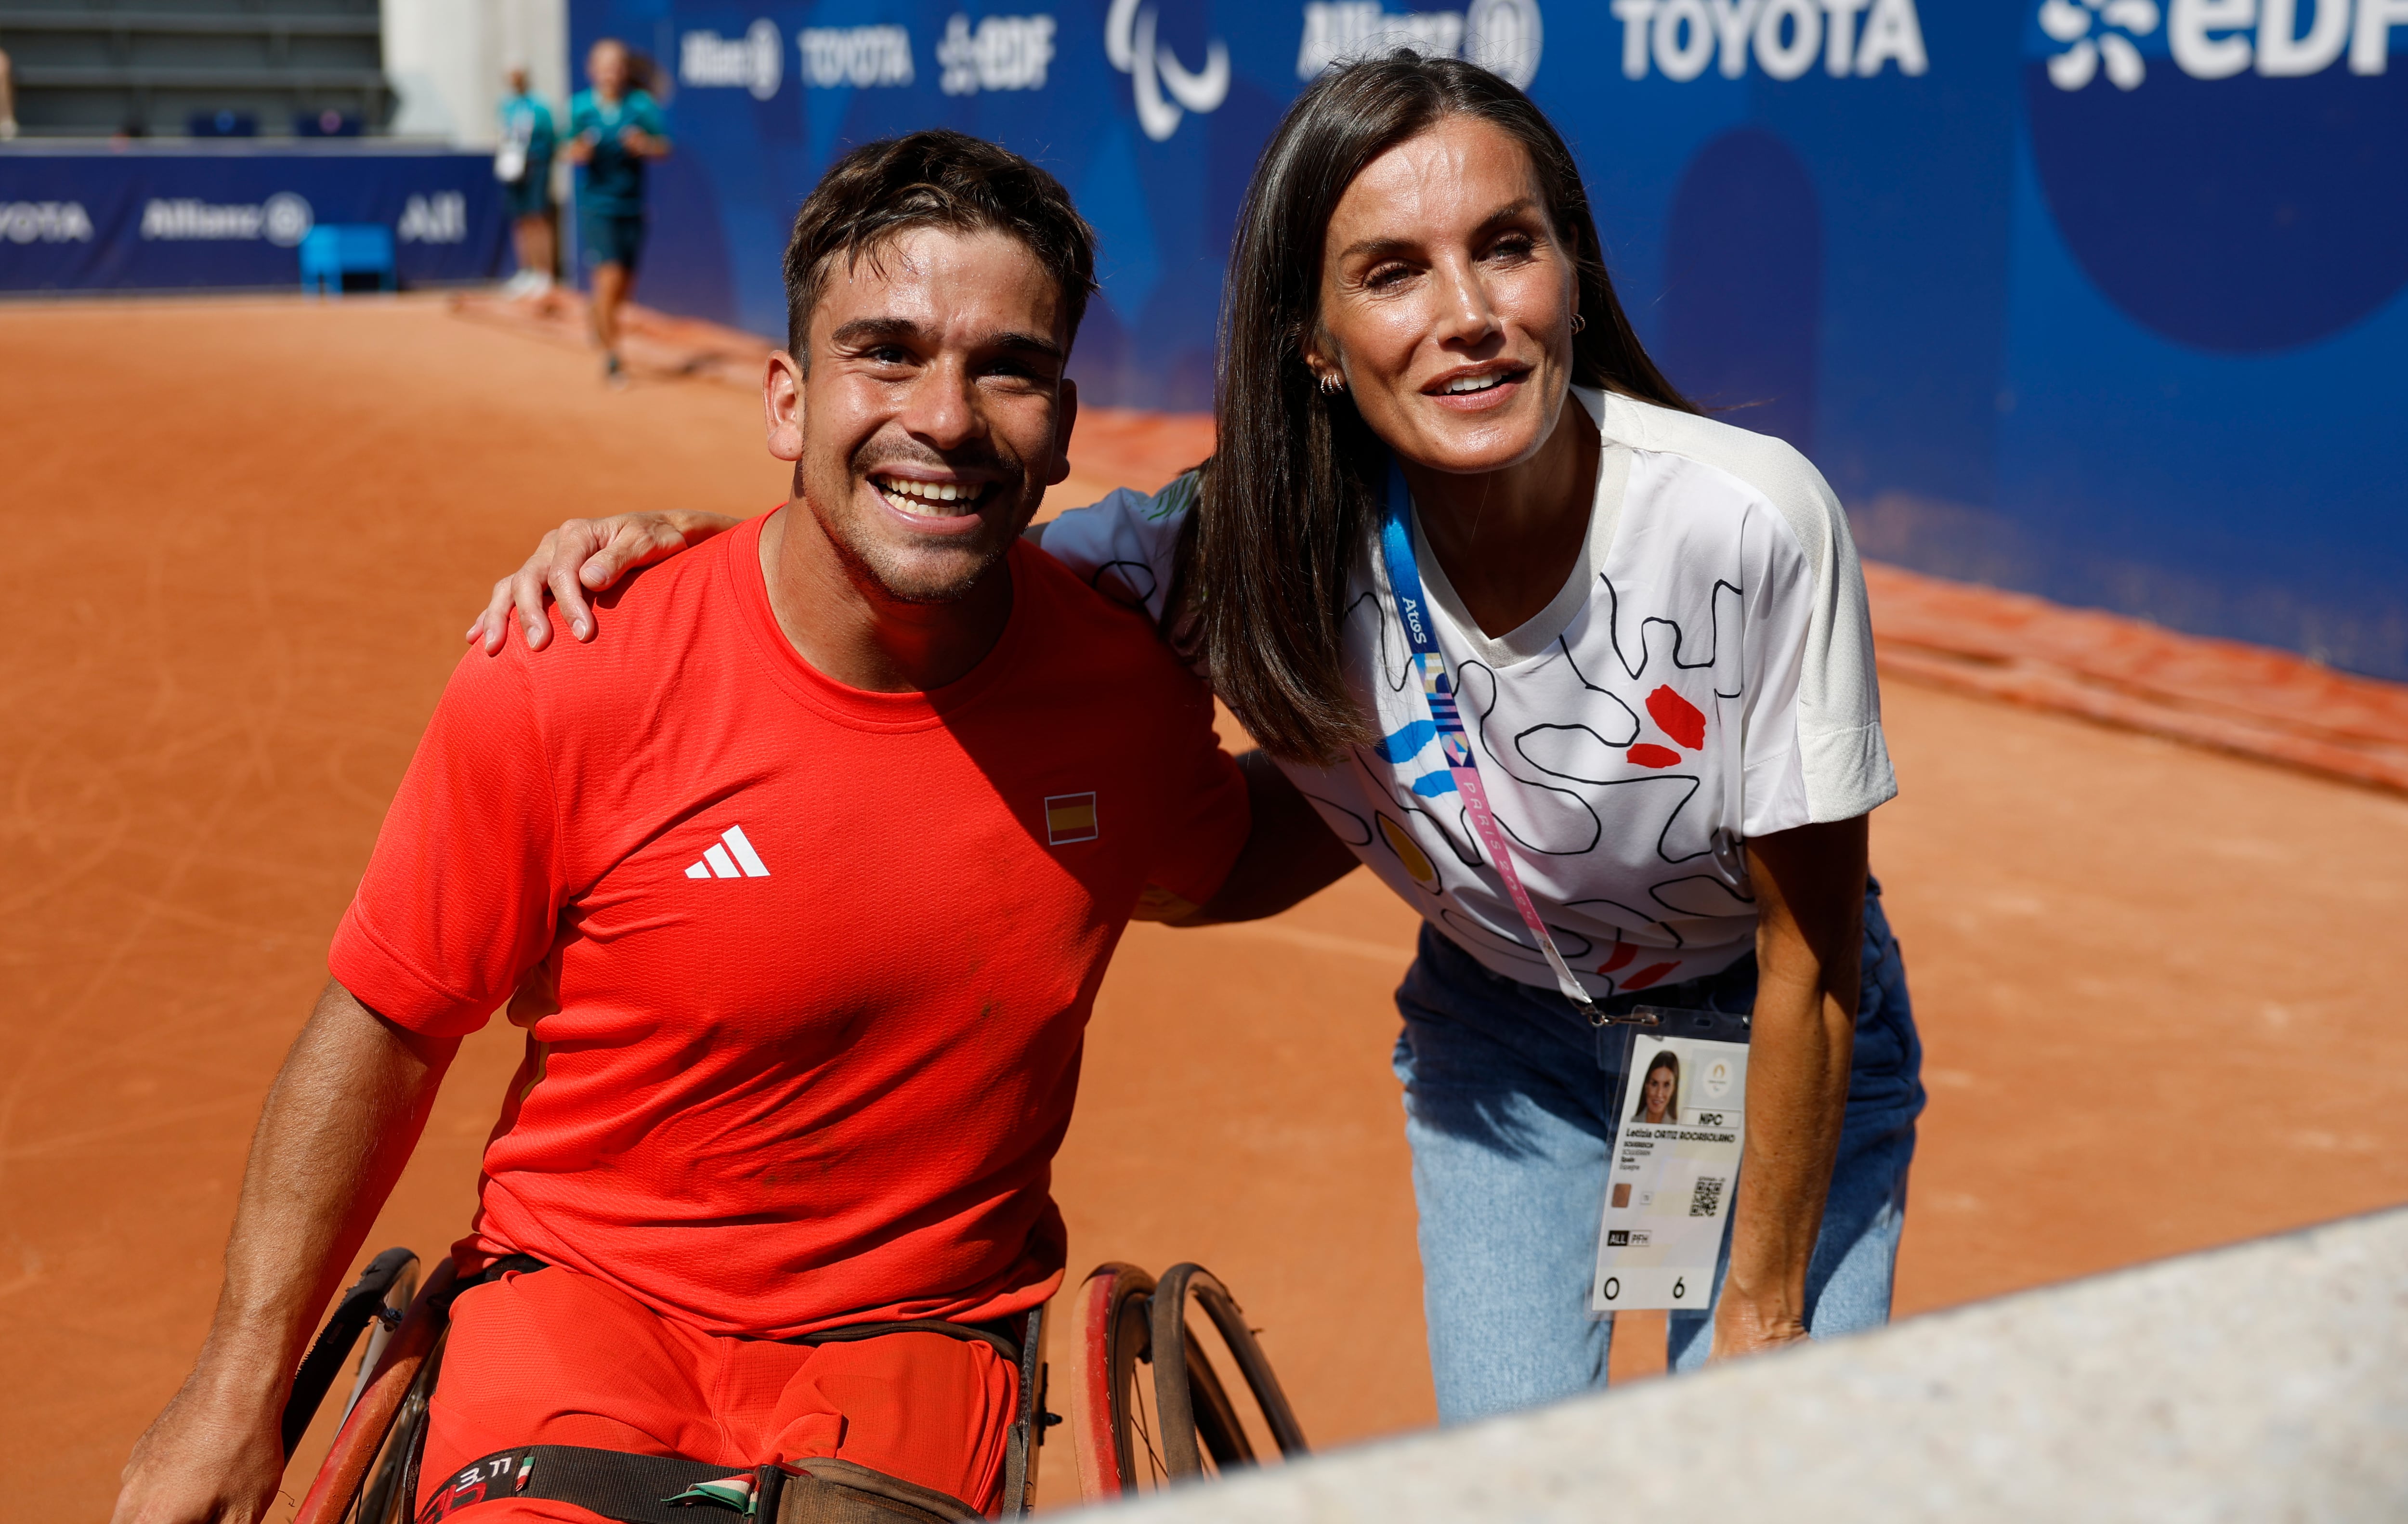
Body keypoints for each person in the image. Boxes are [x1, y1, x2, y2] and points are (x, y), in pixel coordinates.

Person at [474, 54, 1924, 1427]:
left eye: (1506, 247)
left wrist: (1757, 1320)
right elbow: (926, 538)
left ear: (1571, 272)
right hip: (1506, 1046)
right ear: (1310, 340)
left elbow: (1812, 962)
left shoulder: (1745, 523)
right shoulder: (1224, 541)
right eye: (1390, 272)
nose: (1467, 311)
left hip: (1771, 1033)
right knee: (1514, 1480)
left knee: (1748, 1450)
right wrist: (700, 553)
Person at [107, 129, 1354, 1524]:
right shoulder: (573, 662)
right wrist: (233, 1387)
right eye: (883, 352)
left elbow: (1221, 853)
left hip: (913, 1338)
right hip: (580, 1299)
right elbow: (392, 1021)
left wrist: (1449, 767)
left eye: (1004, 365)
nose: (944, 414)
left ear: (1063, 423)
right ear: (786, 398)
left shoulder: (1123, 693)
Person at [565, 39, 669, 385]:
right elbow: (567, 148)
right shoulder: (580, 108)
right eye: (604, 66)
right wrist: (580, 150)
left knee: (623, 287)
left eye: (616, 66)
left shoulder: (640, 106)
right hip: (597, 206)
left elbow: (663, 147)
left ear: (624, 71)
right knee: (608, 279)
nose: (610, 73)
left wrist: (644, 145)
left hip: (632, 206)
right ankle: (613, 359)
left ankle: (598, 314)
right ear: (591, 71)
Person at [496, 67, 558, 300]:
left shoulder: (540, 105)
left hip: (536, 165)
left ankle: (545, 274)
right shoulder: (505, 105)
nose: (515, 80)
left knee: (538, 219)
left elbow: (552, 137)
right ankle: (527, 272)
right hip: (513, 168)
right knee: (520, 220)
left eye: (519, 75)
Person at [1635, 1052, 1679, 1125]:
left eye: (1667, 1085)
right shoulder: (1629, 1123)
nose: (1659, 1094)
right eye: (1654, 1084)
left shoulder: (1679, 1127)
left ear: (1674, 1089)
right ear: (1646, 1086)